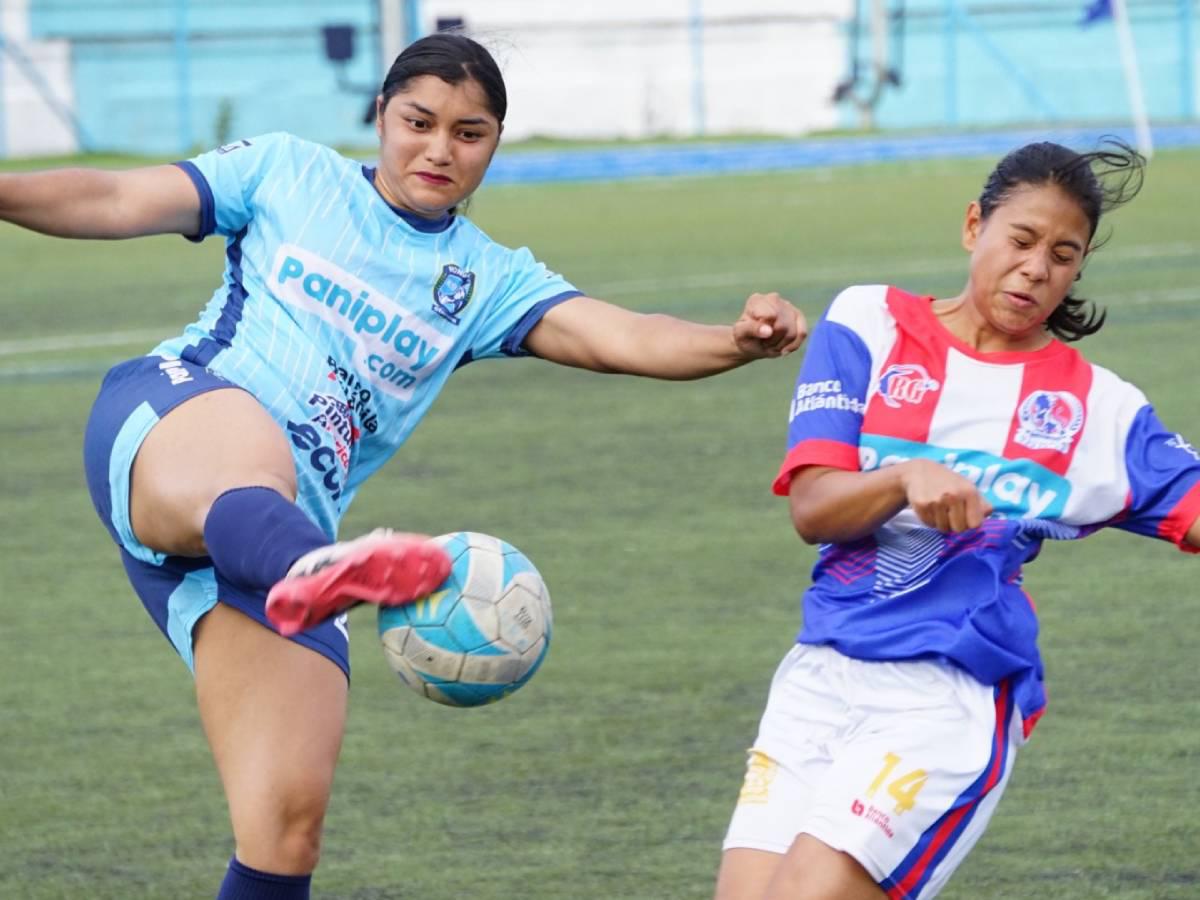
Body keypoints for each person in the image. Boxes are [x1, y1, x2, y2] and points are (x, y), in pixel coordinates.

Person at [0, 33, 805, 900]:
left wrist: (735, 341)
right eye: (418, 121)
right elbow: (119, 195)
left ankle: (313, 564)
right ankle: (317, 565)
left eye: (470, 133)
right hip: (173, 422)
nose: (438, 149)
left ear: (496, 144)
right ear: (380, 115)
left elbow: (621, 336)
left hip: (281, 545)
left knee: (284, 832)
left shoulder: (484, 279)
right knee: (250, 460)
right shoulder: (287, 173)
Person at [714, 139, 1200, 900]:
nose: (1038, 268)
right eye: (1023, 240)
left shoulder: (1097, 407)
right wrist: (905, 477)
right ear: (974, 226)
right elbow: (814, 508)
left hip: (947, 694)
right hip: (819, 676)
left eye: (1064, 255)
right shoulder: (867, 323)